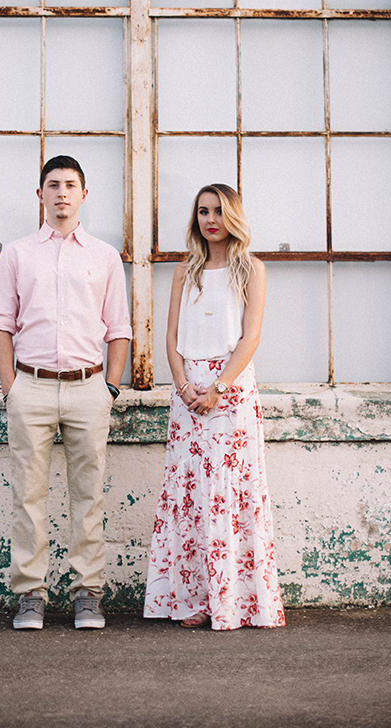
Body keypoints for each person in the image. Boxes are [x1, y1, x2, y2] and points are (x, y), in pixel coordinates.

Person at [0, 155, 132, 631]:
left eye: (71, 185)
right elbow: (1, 324)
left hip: (88, 388)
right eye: (53, 185)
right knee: (27, 497)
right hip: (29, 387)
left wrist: (110, 386)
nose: (62, 193)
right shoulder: (17, 253)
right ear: (40, 194)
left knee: (87, 495)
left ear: (84, 194)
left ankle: (87, 594)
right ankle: (30, 595)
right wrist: (11, 388)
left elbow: (119, 328)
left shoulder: (104, 255)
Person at [144, 184, 285, 631]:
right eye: (203, 212)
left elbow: (251, 338)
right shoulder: (186, 272)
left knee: (227, 493)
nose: (211, 220)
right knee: (191, 496)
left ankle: (235, 602)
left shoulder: (253, 270)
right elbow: (170, 337)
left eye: (220, 212)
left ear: (233, 217)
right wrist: (184, 385)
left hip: (232, 391)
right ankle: (193, 600)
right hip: (187, 396)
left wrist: (218, 388)